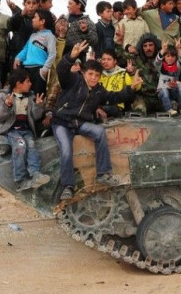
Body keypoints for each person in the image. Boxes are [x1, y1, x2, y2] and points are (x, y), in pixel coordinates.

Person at [51, 41, 142, 200]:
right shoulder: (73, 81)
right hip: (62, 122)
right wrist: (71, 57)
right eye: (90, 74)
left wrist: (131, 88)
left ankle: (103, 173)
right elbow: (61, 70)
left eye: (97, 75)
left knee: (99, 132)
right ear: (84, 73)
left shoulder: (98, 91)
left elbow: (115, 97)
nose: (93, 78)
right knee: (66, 149)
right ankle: (68, 186)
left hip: (79, 124)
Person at [0, 68, 50, 191]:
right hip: (10, 130)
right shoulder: (3, 95)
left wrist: (38, 106)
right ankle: (20, 180)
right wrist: (7, 105)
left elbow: (35, 116)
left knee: (32, 145)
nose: (31, 84)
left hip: (25, 129)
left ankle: (35, 174)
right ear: (18, 83)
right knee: (20, 145)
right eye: (28, 81)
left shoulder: (31, 96)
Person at [13, 9, 57, 97]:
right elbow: (25, 50)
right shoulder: (33, 35)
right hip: (26, 70)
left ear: (42, 21)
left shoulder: (49, 36)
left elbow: (52, 54)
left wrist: (44, 70)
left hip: (38, 70)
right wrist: (17, 58)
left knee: (37, 97)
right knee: (25, 96)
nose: (32, 19)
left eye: (35, 17)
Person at [98, 49, 138, 120]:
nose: (105, 61)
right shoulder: (98, 74)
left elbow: (135, 87)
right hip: (99, 104)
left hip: (115, 106)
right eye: (103, 59)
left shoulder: (123, 73)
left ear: (115, 61)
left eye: (109, 59)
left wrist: (131, 74)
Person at [155, 42, 181, 116]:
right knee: (164, 91)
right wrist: (163, 50)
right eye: (168, 56)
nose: (170, 58)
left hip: (173, 90)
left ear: (175, 57)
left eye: (172, 56)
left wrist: (178, 49)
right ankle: (168, 109)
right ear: (164, 57)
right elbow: (157, 62)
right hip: (163, 90)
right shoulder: (161, 66)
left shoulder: (177, 66)